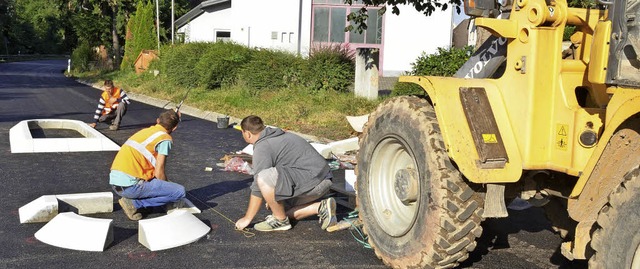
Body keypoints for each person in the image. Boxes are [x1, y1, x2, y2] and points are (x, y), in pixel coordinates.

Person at [234, 115, 336, 232]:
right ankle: (320, 207)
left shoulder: (263, 146)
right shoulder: (279, 135)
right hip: (323, 179)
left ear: (247, 133)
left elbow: (258, 186)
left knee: (263, 178)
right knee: (277, 206)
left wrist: (247, 218)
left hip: (314, 182)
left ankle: (280, 221)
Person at [110, 109, 186, 220]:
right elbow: (159, 171)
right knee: (179, 192)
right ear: (174, 128)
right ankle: (134, 204)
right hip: (131, 187)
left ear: (158, 121)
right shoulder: (164, 138)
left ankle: (136, 200)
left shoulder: (146, 131)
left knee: (162, 185)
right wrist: (167, 187)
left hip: (116, 183)